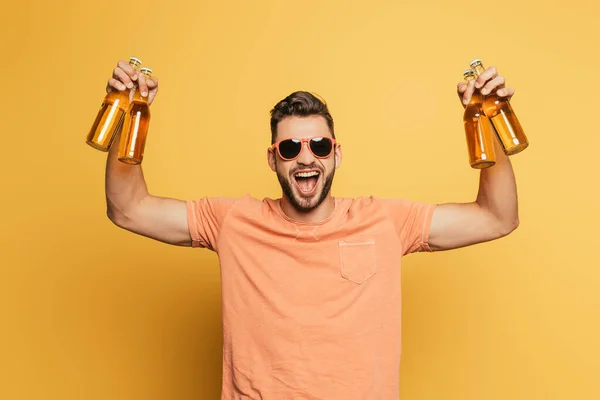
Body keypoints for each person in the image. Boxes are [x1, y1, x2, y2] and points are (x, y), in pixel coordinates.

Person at [103, 60, 520, 399]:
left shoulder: (386, 222)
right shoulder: (232, 221)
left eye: (319, 146)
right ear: (273, 159)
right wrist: (128, 112)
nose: (306, 158)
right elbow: (129, 209)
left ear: (336, 154)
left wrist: (485, 119)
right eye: (290, 148)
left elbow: (496, 217)